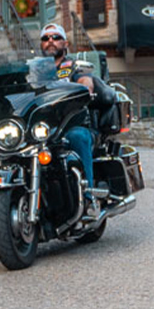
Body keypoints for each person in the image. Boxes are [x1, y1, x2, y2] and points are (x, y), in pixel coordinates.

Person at [40, 22, 100, 200]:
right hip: (42, 128)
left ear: (65, 44)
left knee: (77, 137)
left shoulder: (74, 66)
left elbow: (86, 82)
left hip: (73, 124)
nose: (50, 41)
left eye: (56, 37)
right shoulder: (34, 70)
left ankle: (88, 197)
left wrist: (83, 89)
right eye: (46, 38)